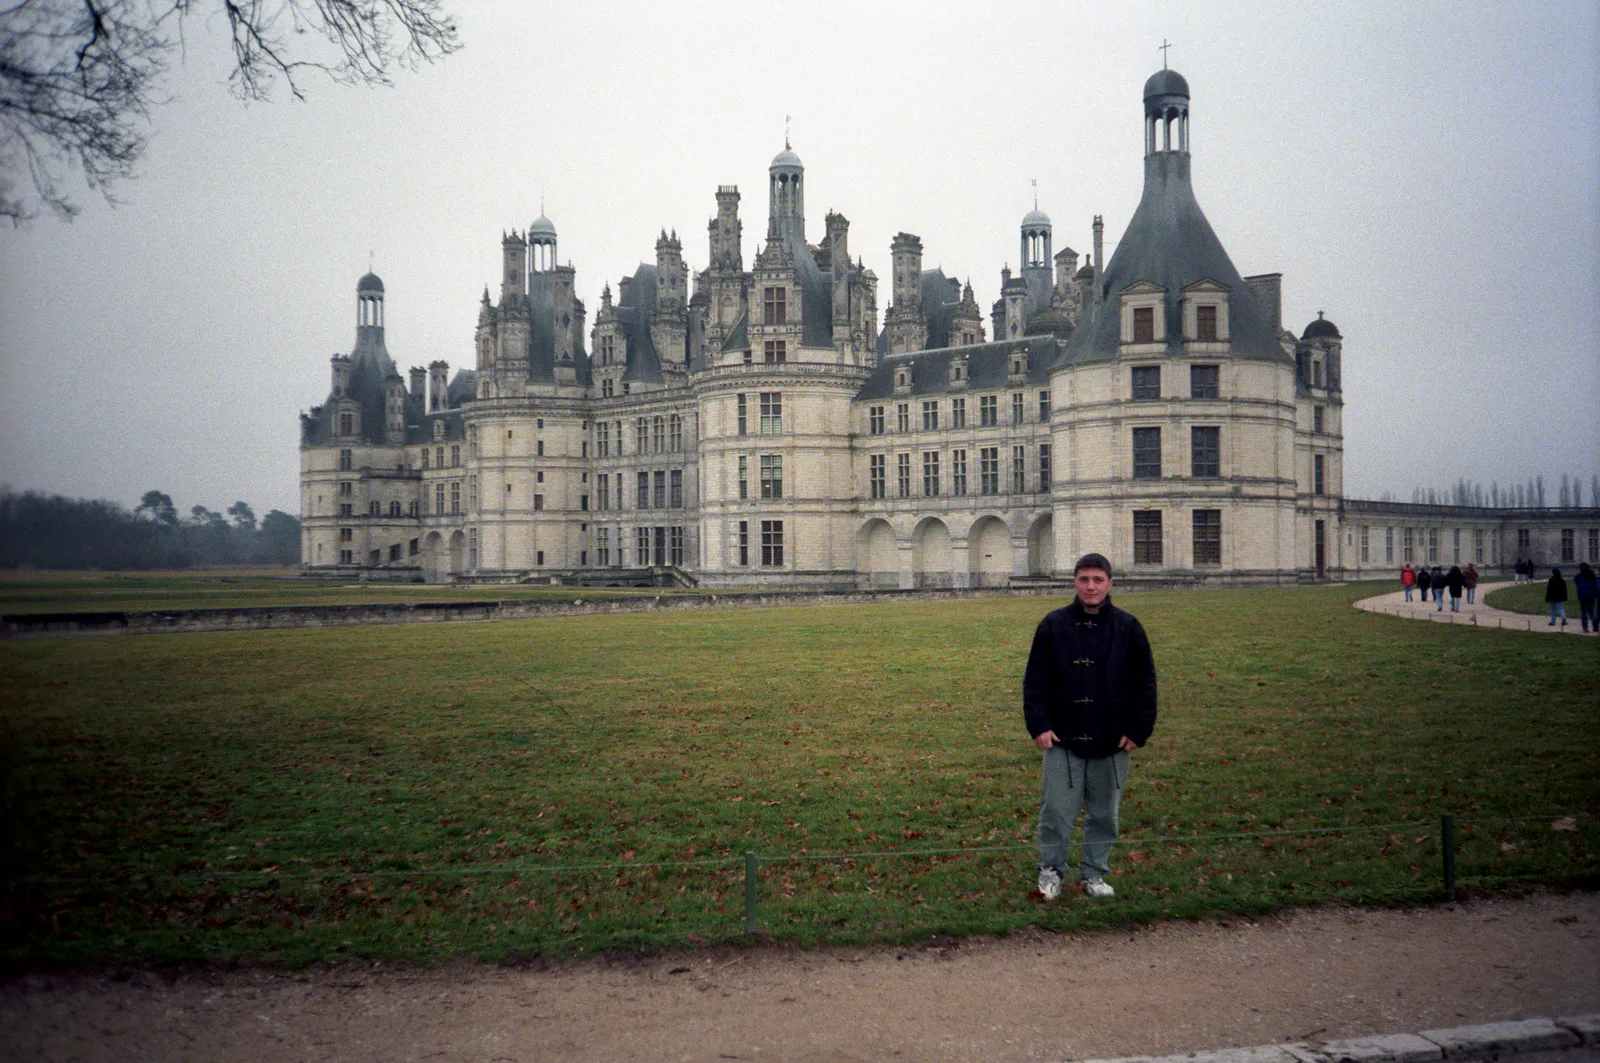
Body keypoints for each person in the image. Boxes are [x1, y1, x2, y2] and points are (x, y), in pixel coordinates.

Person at [1023, 552, 1157, 901]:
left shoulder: (1128, 627)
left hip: (1113, 737)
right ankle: (1051, 870)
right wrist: (1038, 724)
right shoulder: (1052, 624)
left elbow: (1146, 684)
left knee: (1104, 814)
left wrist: (1139, 729)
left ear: (1110, 583)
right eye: (1084, 579)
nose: (1091, 586)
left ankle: (1094, 874)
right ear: (1075, 582)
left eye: (1098, 580)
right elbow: (1035, 681)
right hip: (1062, 738)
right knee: (1055, 811)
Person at [1575, 563, 1598, 634]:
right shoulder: (1592, 576)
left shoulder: (1578, 577)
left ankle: (1585, 628)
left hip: (1582, 596)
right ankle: (1594, 620)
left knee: (1583, 612)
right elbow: (1595, 585)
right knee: (1591, 611)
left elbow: (1577, 583)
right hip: (1591, 595)